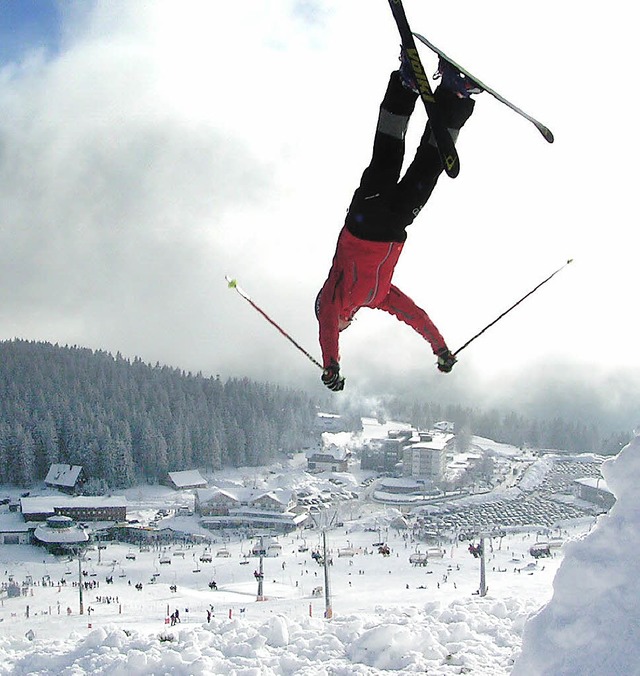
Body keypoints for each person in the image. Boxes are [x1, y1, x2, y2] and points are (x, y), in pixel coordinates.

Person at [315, 50, 482, 391]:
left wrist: (331, 364)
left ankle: (406, 83)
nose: (343, 322)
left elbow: (327, 323)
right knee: (430, 167)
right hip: (395, 227)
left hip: (365, 220)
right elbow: (414, 316)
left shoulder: (335, 295)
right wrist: (439, 347)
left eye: (338, 322)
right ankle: (453, 96)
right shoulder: (377, 296)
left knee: (389, 152)